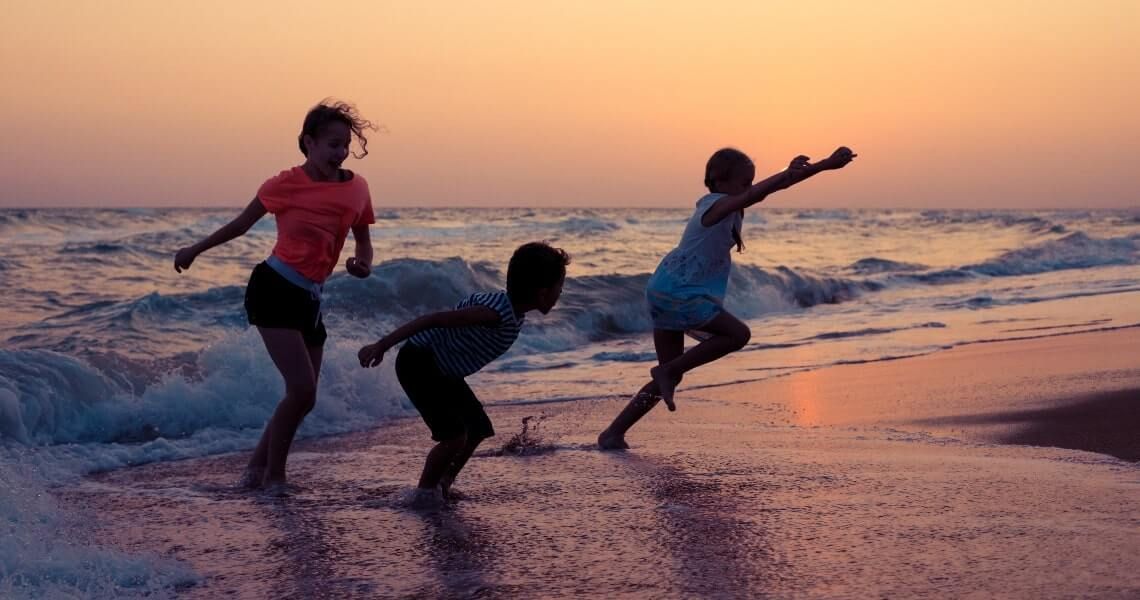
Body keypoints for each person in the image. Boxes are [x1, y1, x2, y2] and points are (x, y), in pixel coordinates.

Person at [174, 100, 378, 490]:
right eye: (332, 144)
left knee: (305, 397)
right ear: (308, 143)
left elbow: (363, 241)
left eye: (344, 145)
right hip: (274, 288)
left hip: (312, 299)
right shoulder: (283, 184)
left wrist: (362, 265)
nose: (339, 153)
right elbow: (241, 224)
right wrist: (194, 250)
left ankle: (253, 470)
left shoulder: (358, 188)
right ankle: (275, 477)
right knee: (301, 391)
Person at [598, 146, 856, 449]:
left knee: (672, 374)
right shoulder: (716, 207)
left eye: (751, 182)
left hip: (664, 289)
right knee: (737, 335)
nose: (749, 189)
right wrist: (816, 167)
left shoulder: (723, 207)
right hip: (682, 292)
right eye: (744, 183)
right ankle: (666, 371)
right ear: (720, 182)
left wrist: (820, 167)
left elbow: (766, 191)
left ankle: (613, 433)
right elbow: (758, 194)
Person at [358, 242, 569, 503]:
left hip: (444, 371)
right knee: (454, 436)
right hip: (420, 363)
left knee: (478, 428)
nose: (561, 292)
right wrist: (382, 345)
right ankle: (423, 495)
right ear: (542, 292)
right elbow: (433, 319)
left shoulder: (512, 311)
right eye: (560, 286)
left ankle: (444, 483)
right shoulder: (493, 313)